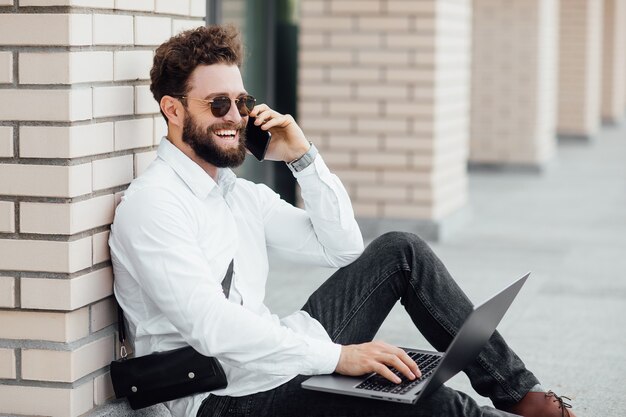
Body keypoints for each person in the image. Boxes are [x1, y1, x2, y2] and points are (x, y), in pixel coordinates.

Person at [109, 25, 577, 417]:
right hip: (217, 399)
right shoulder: (155, 206)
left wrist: (302, 158)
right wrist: (339, 357)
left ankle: (524, 397)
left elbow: (343, 249)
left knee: (400, 250)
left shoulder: (236, 195)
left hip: (273, 359)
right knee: (419, 399)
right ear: (173, 110)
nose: (237, 116)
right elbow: (212, 326)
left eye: (242, 101)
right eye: (218, 105)